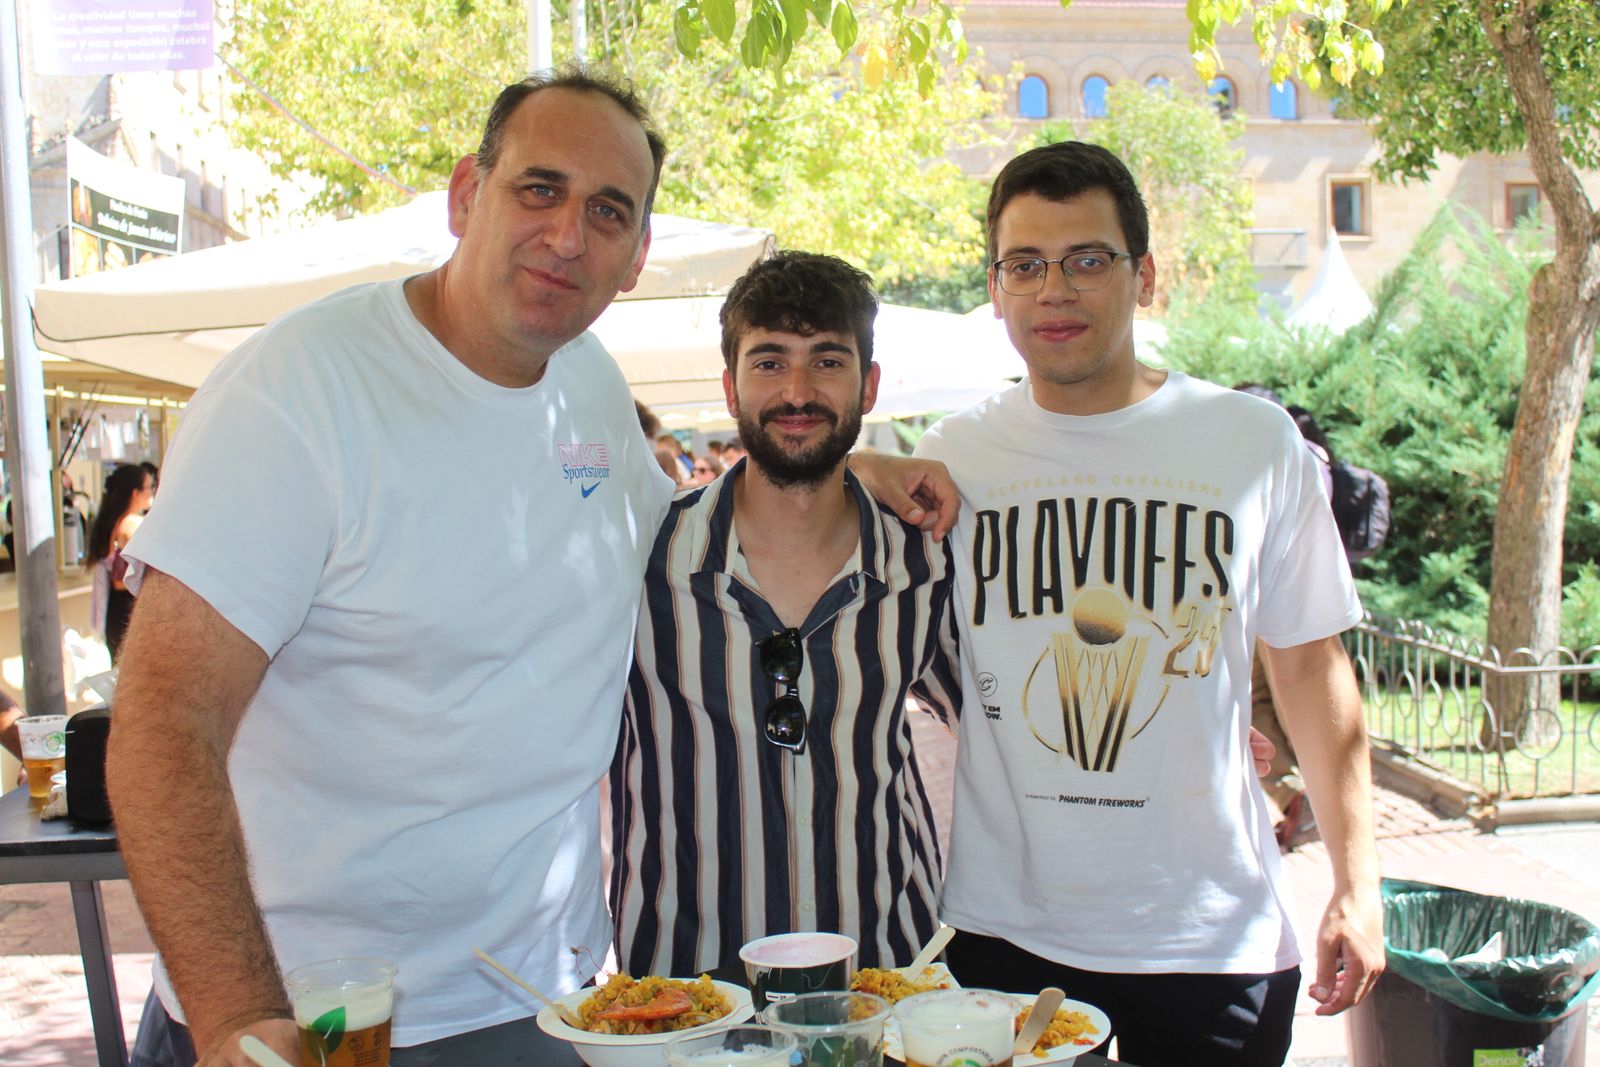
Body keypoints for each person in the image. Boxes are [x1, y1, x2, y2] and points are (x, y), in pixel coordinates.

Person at [107, 69, 955, 1067]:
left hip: (544, 1001)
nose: (567, 236)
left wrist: (834, 457)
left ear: (636, 254)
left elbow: (705, 524)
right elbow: (163, 721)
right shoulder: (301, 389)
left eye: (608, 211)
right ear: (467, 193)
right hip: (324, 1014)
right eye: (538, 189)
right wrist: (234, 1018)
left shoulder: (586, 389)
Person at [913, 141, 1383, 1066]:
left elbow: (1310, 667)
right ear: (997, 285)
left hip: (1210, 943)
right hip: (1006, 936)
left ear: (1146, 276)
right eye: (1025, 265)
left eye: (1088, 259)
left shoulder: (1251, 444)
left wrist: (1358, 880)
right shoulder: (951, 457)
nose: (1055, 290)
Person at [609, 252, 961, 976]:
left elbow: (1008, 721)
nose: (797, 391)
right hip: (688, 993)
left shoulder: (926, 563)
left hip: (886, 980)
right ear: (730, 384)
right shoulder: (639, 560)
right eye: (769, 362)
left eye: (827, 361)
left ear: (868, 385)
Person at [86, 463, 156, 661]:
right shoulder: (133, 523)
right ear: (135, 493)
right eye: (150, 487)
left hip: (116, 612)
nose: (153, 491)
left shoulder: (114, 523)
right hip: (130, 612)